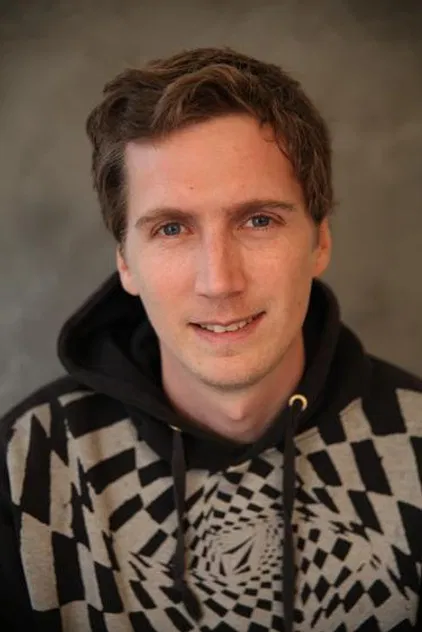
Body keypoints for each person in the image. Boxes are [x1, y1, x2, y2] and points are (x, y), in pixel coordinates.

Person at [0, 46, 421, 632]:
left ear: (320, 241)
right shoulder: (23, 468)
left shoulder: (416, 443)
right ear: (125, 262)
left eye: (258, 220)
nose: (219, 281)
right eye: (172, 228)